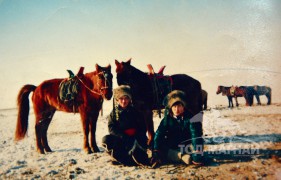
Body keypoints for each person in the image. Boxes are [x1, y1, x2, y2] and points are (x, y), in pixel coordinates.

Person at [150, 90, 204, 168]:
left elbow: (195, 135)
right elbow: (159, 134)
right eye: (174, 107)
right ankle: (182, 157)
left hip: (187, 146)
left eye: (179, 106)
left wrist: (197, 155)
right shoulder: (167, 119)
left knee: (197, 152)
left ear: (183, 107)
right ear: (171, 108)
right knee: (160, 148)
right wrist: (156, 151)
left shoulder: (191, 118)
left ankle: (179, 157)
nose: (176, 109)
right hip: (172, 146)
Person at [102, 85, 149, 166]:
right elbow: (112, 128)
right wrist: (123, 136)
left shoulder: (136, 112)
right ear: (117, 100)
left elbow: (142, 127)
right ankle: (126, 159)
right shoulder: (113, 114)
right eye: (121, 98)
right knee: (106, 139)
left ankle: (132, 158)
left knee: (140, 153)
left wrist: (134, 138)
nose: (124, 101)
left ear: (130, 99)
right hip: (122, 139)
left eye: (126, 98)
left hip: (135, 140)